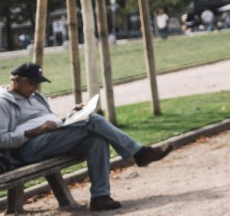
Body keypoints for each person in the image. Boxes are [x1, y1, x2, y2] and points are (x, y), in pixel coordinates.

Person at [0, 63, 169, 211]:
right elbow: (3, 139)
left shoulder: (36, 97)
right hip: (27, 149)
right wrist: (35, 131)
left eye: (38, 83)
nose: (35, 87)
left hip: (50, 139)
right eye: (31, 82)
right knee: (93, 120)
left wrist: (71, 116)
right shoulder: (3, 103)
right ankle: (139, 153)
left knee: (96, 140)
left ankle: (100, 197)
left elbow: (49, 120)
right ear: (15, 79)